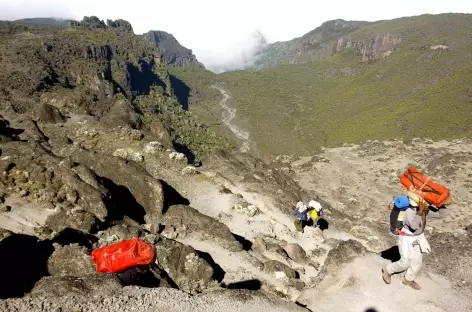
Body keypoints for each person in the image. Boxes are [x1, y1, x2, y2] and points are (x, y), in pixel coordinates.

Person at [382, 196, 431, 290]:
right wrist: (420, 212)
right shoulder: (408, 211)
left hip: (417, 238)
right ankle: (387, 269)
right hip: (406, 238)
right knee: (405, 262)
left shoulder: (420, 209)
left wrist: (424, 212)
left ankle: (408, 279)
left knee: (417, 261)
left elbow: (422, 225)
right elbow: (413, 226)